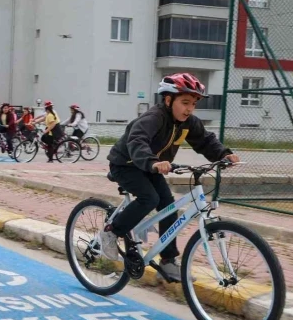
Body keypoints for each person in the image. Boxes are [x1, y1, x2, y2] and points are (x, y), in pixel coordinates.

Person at [102, 73, 240, 280]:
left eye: (193, 104)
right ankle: (111, 231)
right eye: (185, 102)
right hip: (127, 164)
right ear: (168, 100)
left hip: (151, 167)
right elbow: (137, 140)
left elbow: (205, 140)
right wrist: (152, 162)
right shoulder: (153, 118)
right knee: (150, 198)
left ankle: (167, 261)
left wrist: (223, 154)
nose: (189, 109)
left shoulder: (188, 123)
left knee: (168, 207)